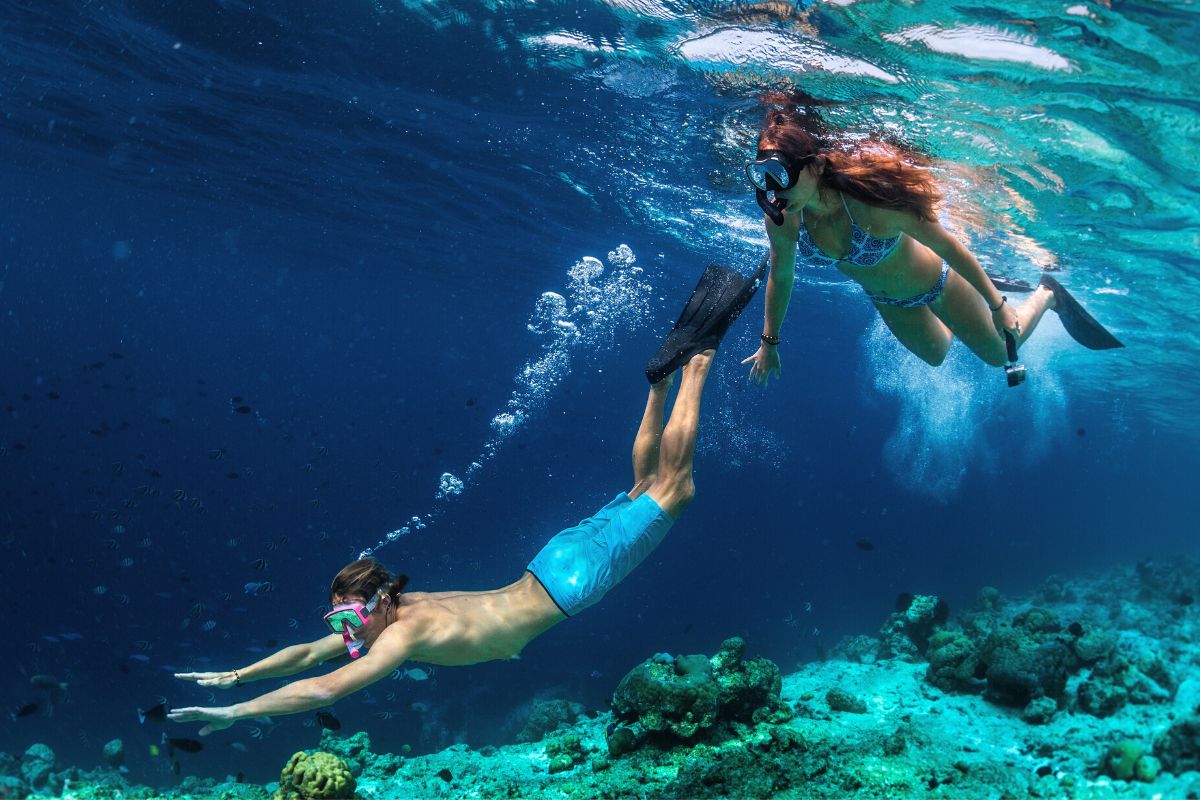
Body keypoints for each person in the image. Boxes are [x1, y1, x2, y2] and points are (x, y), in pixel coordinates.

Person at [168, 262, 761, 735]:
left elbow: (325, 686)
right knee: (638, 490)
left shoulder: (401, 635)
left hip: (571, 582)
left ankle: (698, 359)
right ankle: (657, 386)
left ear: (377, 603)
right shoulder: (400, 608)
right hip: (551, 562)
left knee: (673, 489)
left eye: (349, 616)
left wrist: (233, 714)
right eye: (337, 618)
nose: (345, 629)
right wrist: (237, 675)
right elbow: (306, 655)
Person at [740, 93, 1121, 386]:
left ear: (816, 165)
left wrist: (996, 305)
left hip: (936, 283)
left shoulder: (870, 205)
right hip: (888, 299)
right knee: (937, 353)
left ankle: (1047, 293)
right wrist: (769, 342)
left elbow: (949, 246)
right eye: (763, 176)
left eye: (781, 174)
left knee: (997, 353)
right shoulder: (785, 219)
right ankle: (977, 297)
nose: (774, 189)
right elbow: (782, 277)